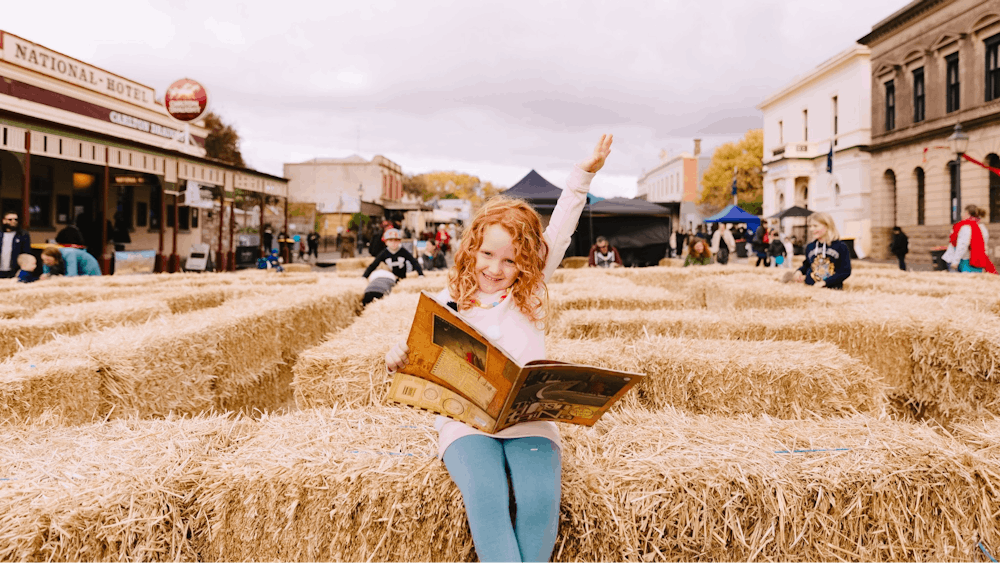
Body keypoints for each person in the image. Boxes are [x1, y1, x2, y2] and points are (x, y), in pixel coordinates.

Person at [385, 134, 613, 563]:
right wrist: (396, 356)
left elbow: (561, 226)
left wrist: (584, 174)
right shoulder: (446, 301)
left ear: (526, 262)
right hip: (466, 424)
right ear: (472, 248)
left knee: (539, 501)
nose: (495, 268)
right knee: (487, 499)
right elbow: (414, 351)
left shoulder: (529, 293)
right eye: (488, 254)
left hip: (528, 421)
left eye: (510, 261)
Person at [793, 212, 851, 289]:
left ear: (827, 226)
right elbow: (807, 265)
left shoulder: (840, 246)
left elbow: (845, 271)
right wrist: (799, 271)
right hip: (811, 289)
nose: (811, 229)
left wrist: (825, 283)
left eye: (815, 226)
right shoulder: (810, 247)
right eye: (810, 226)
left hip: (832, 291)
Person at [945, 205, 996, 274]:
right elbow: (984, 245)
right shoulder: (982, 227)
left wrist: (955, 262)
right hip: (978, 261)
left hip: (964, 261)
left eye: (963, 212)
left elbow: (962, 245)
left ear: (967, 213)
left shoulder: (965, 227)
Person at [1, 211, 32, 279]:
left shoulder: (23, 235)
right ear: (4, 221)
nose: (13, 221)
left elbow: (26, 254)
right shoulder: (1, 235)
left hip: (15, 271)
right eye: (10, 219)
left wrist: (23, 270)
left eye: (15, 219)